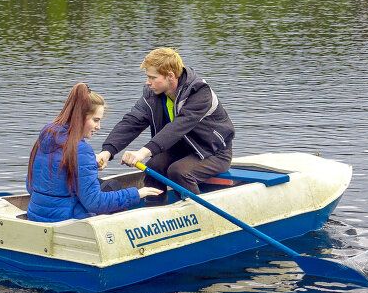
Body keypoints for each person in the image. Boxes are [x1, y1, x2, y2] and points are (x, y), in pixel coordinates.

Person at [96, 48, 235, 203]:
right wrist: (107, 151)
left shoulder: (199, 93)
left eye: (152, 77)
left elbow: (178, 127)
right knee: (154, 166)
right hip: (181, 149)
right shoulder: (152, 95)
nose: (147, 82)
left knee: (179, 171)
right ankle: (155, 213)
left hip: (214, 153)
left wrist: (143, 152)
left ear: (170, 76)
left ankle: (198, 215)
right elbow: (131, 122)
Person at [26, 83, 161, 222]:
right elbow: (95, 203)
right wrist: (137, 194)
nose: (98, 127)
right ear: (79, 117)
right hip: (67, 220)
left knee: (102, 184)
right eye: (95, 120)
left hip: (35, 214)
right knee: (113, 186)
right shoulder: (82, 150)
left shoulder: (45, 138)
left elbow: (31, 187)